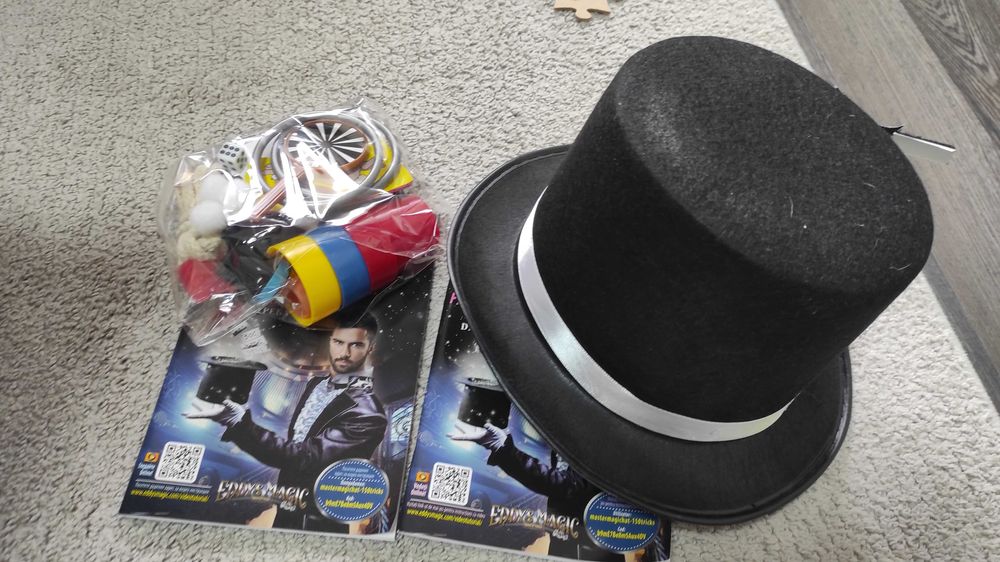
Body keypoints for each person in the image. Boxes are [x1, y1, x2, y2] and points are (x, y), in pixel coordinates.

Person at [188, 315, 387, 532]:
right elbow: (297, 441)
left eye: (356, 345)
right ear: (330, 341)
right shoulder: (316, 383)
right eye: (338, 342)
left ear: (370, 348)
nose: (344, 353)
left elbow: (306, 457)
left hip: (317, 520)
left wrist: (240, 425)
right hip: (288, 504)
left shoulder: (368, 414)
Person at [450, 422, 604, 559]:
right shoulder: (566, 441)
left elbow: (568, 485)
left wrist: (505, 452)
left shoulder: (596, 441)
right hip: (566, 540)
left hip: (586, 547)